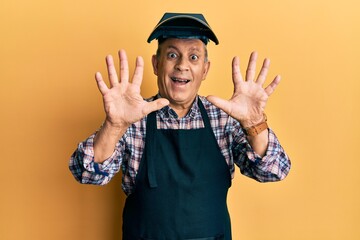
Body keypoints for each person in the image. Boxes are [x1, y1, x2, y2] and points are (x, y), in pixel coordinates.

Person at [69, 12, 291, 240]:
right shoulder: (132, 119)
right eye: (172, 55)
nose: (182, 66)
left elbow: (274, 171)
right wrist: (114, 126)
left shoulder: (225, 120)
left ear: (205, 69)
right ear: (156, 64)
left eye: (193, 57)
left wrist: (255, 123)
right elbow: (86, 173)